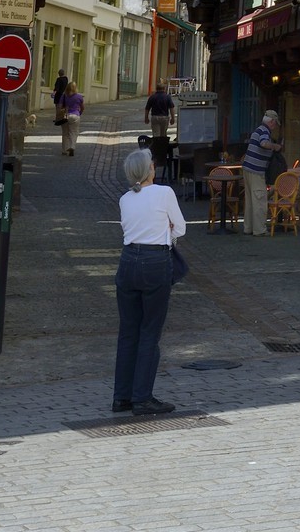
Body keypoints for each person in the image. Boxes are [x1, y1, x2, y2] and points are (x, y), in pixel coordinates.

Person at [112, 146, 185, 416]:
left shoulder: (124, 199)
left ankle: (122, 396)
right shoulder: (164, 193)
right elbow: (180, 227)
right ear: (148, 170)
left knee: (128, 330)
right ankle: (142, 397)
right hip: (155, 261)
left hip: (128, 259)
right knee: (150, 330)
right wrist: (166, 232)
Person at [242, 110, 282, 235]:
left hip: (247, 169)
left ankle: (248, 228)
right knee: (259, 200)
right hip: (256, 171)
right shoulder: (264, 131)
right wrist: (275, 146)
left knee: (249, 201)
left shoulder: (257, 130)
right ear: (271, 122)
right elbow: (264, 143)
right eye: (275, 124)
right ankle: (259, 230)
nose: (275, 127)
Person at [61, 82, 84, 155]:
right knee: (73, 132)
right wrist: (79, 113)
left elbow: (61, 107)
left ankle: (64, 150)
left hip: (66, 115)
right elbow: (82, 107)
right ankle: (72, 146)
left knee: (65, 133)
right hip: (75, 115)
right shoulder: (79, 97)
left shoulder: (64, 96)